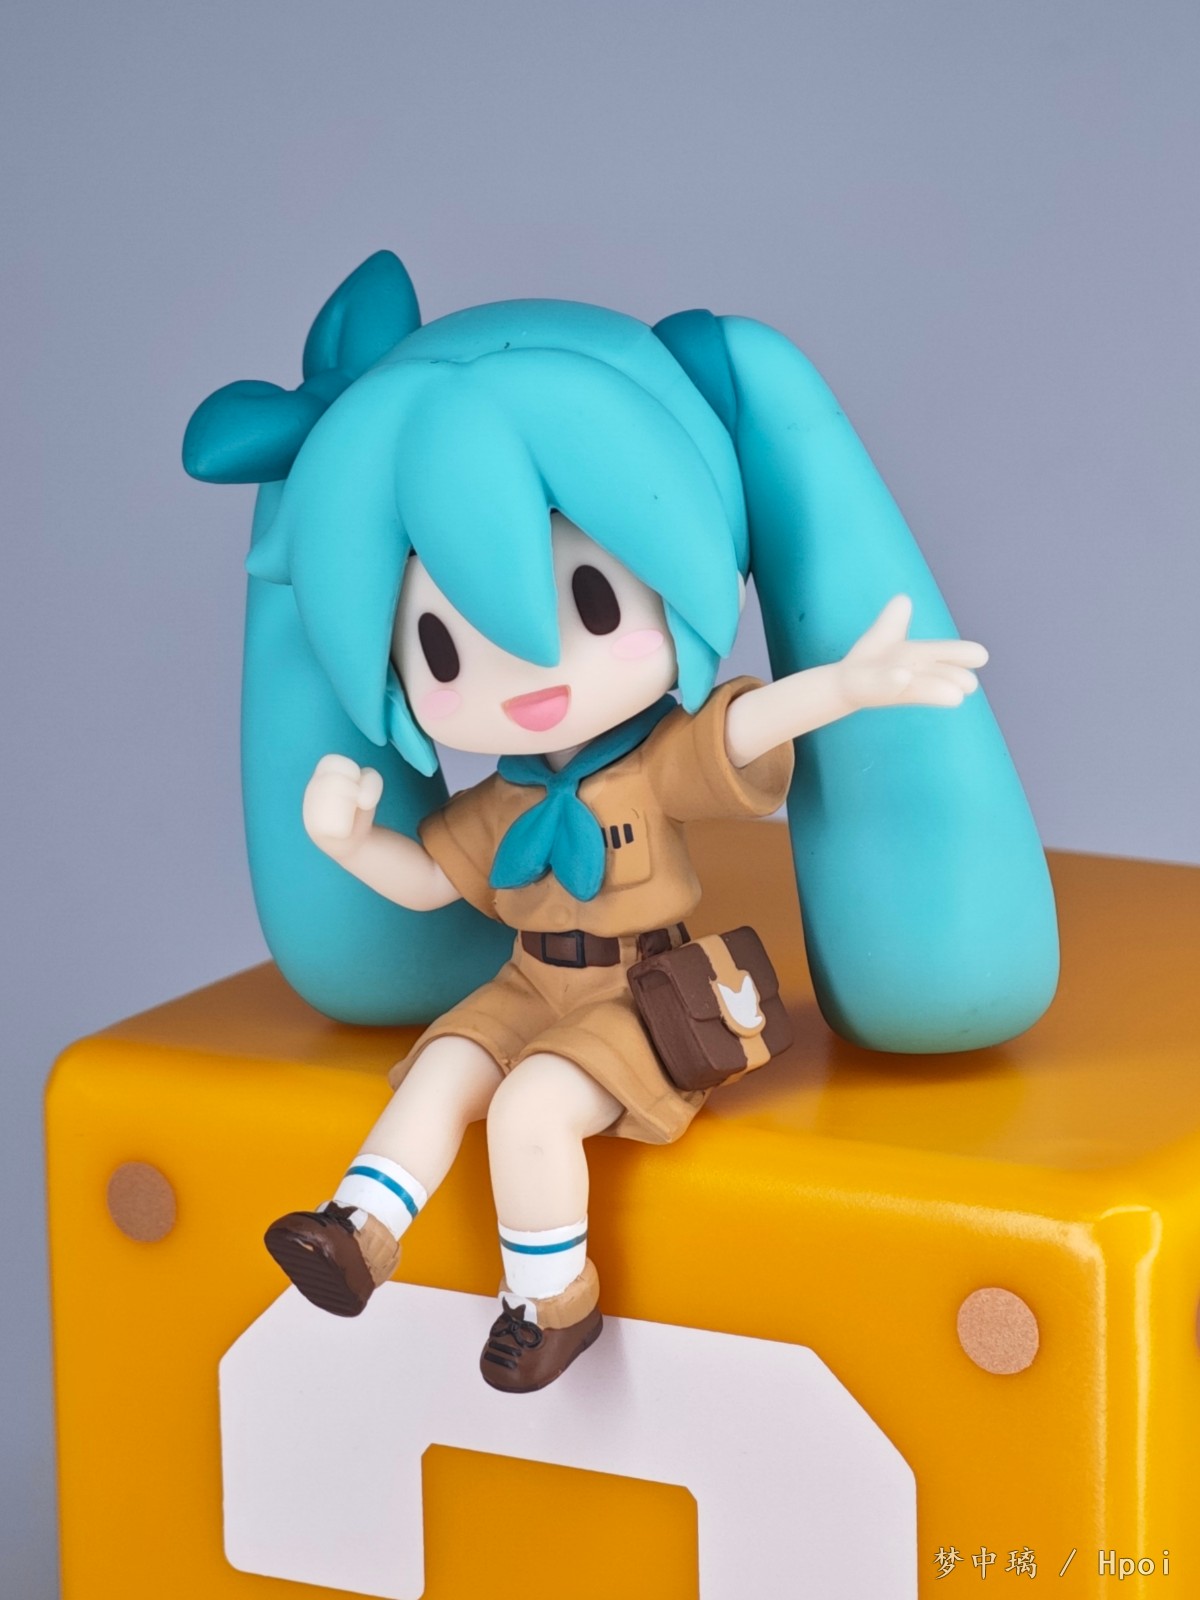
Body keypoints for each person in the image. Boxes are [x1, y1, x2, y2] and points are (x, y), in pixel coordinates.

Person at [184, 252, 1058, 1392]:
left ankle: (551, 1304)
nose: (527, 679)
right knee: (439, 1070)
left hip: (638, 994)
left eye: (590, 601)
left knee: (533, 1109)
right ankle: (358, 1231)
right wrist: (349, 841)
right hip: (525, 982)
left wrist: (845, 688)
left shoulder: (650, 764)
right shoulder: (501, 800)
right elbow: (431, 882)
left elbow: (743, 733)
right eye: (442, 648)